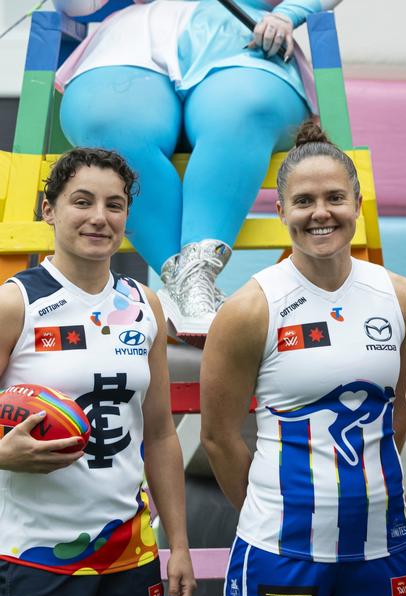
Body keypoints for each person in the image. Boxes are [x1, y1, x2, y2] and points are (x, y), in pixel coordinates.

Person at [200, 121, 406, 596]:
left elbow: (402, 417)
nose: (320, 213)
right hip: (280, 550)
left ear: (356, 204)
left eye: (334, 199)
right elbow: (217, 438)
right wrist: (276, 511)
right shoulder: (249, 309)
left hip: (381, 552)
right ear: (280, 209)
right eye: (303, 201)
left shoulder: (400, 297)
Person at [0, 147, 195, 596]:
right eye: (82, 201)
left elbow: (160, 433)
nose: (99, 217)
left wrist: (179, 545)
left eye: (114, 204)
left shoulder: (144, 303)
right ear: (49, 209)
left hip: (128, 550)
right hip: (36, 551)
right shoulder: (17, 303)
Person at [53, 0, 343, 344]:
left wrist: (291, 11)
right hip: (132, 42)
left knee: (244, 108)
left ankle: (194, 277)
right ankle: (187, 283)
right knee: (108, 119)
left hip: (245, 35)